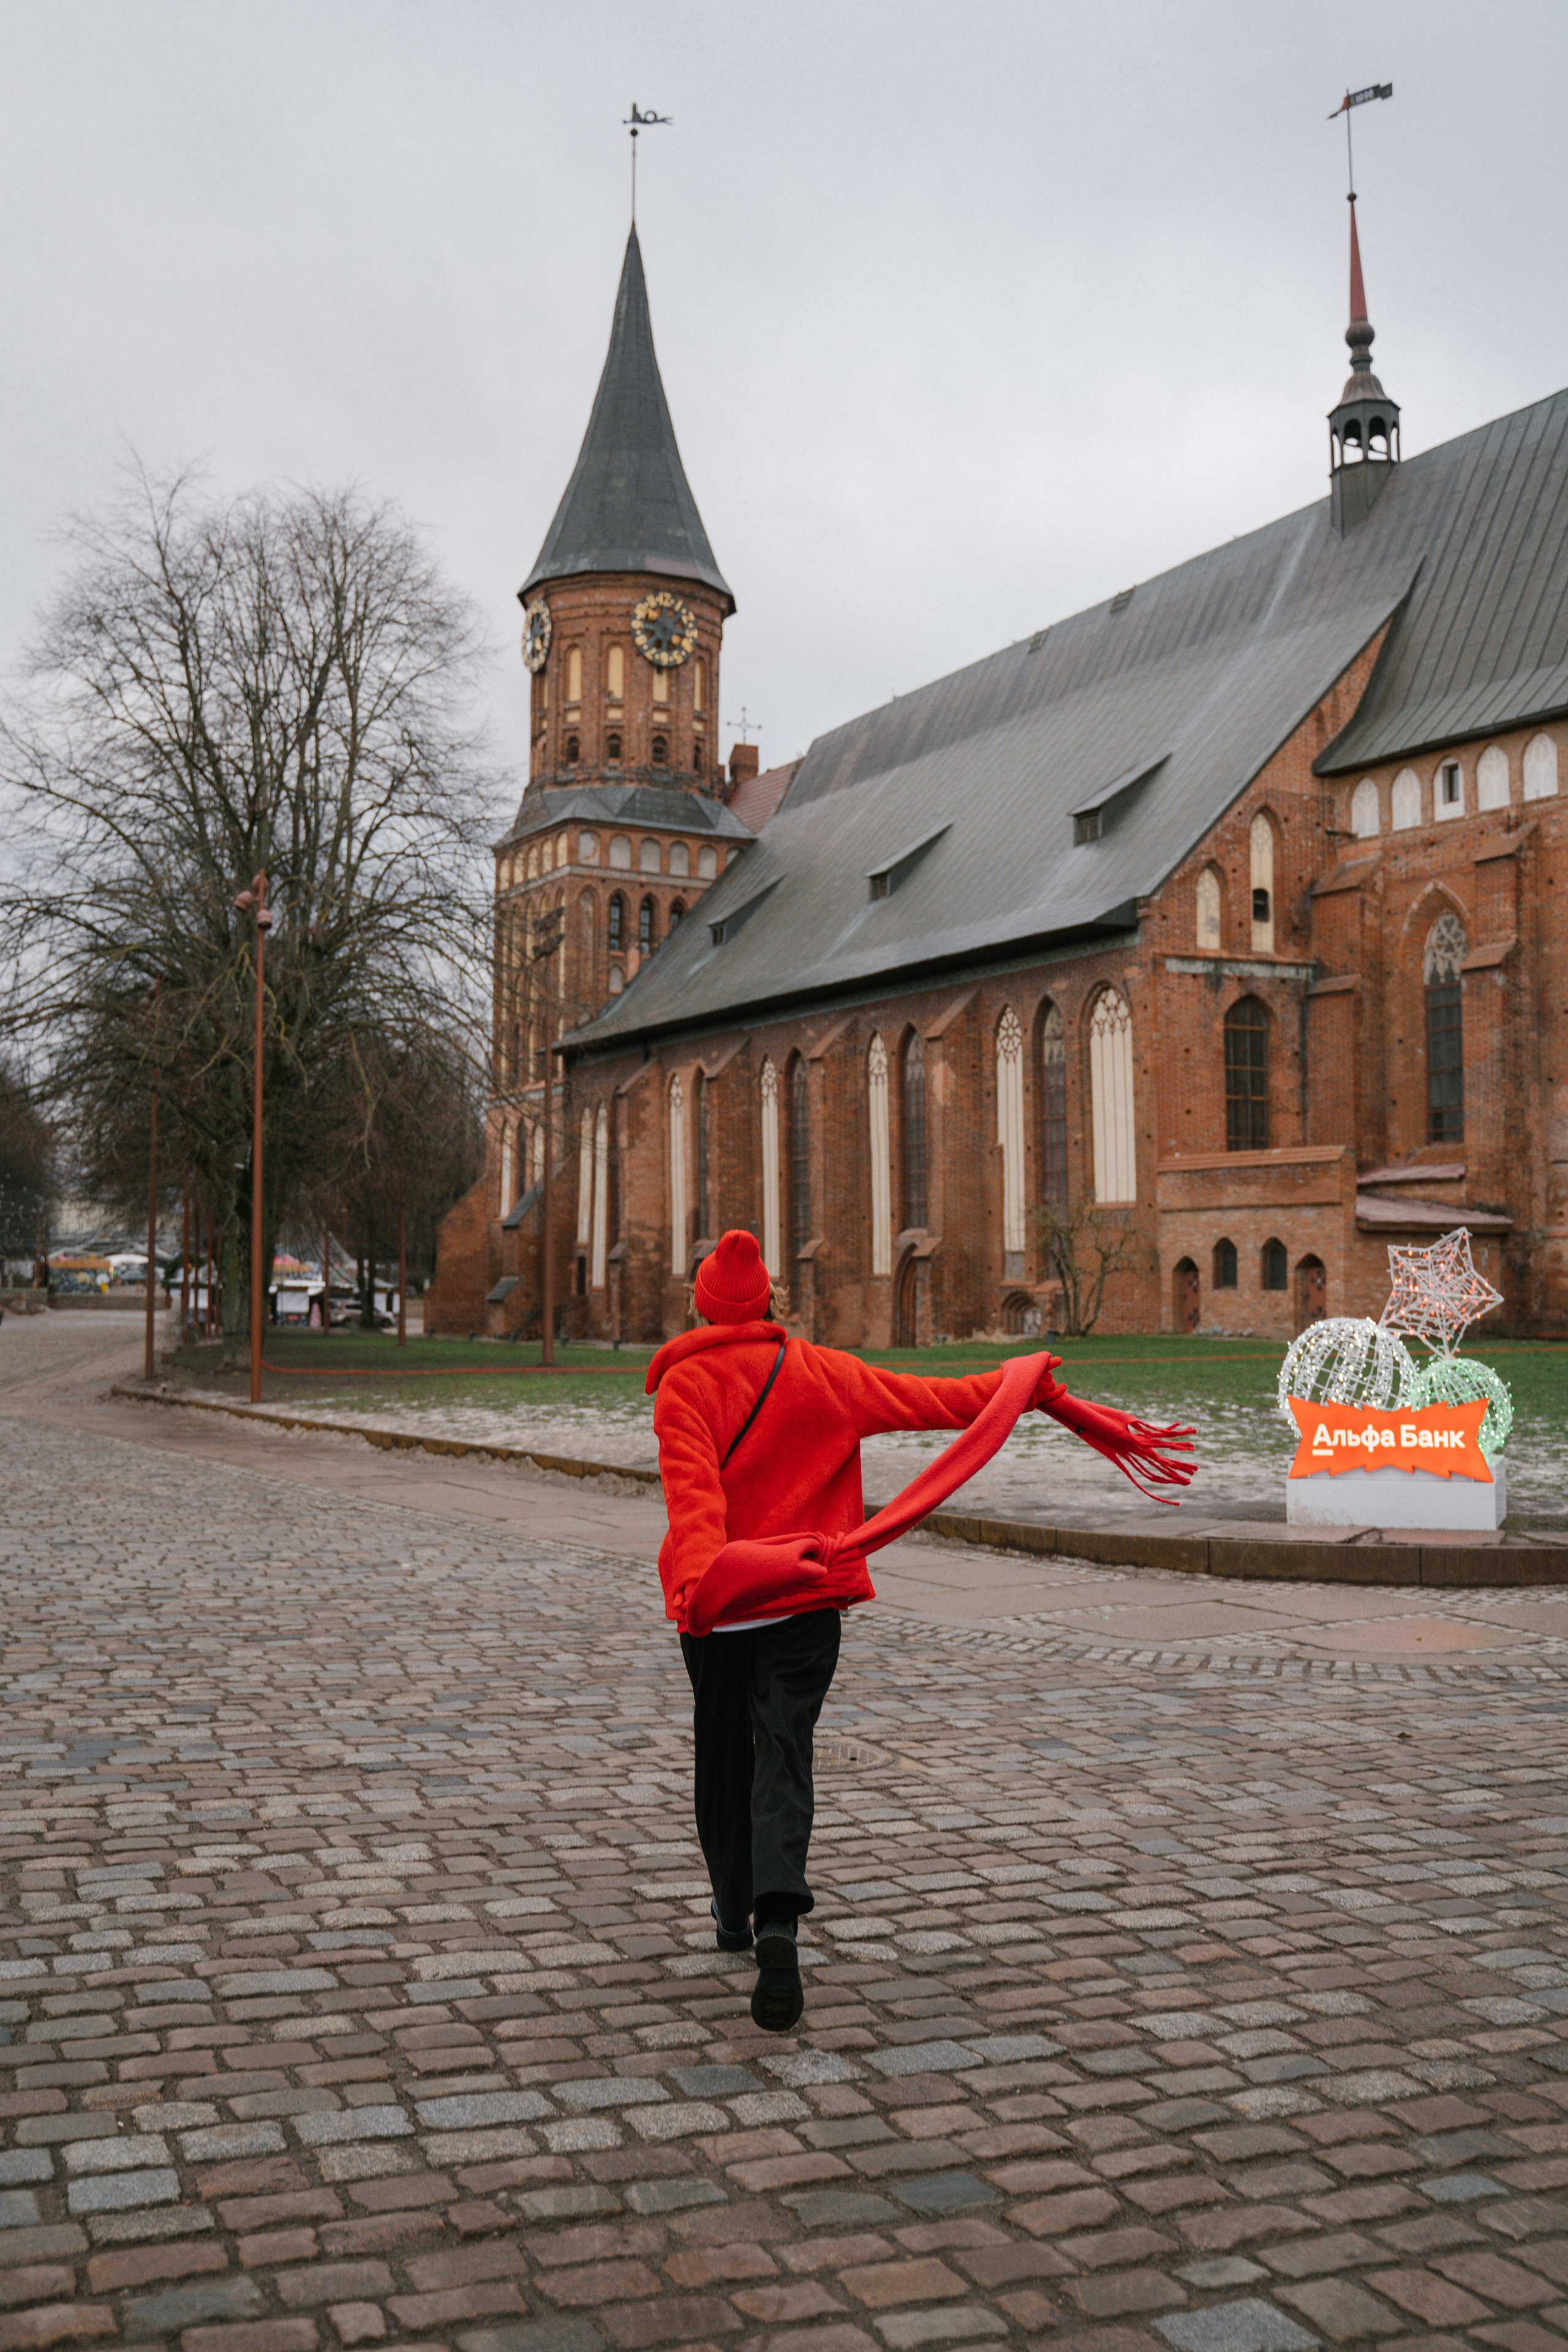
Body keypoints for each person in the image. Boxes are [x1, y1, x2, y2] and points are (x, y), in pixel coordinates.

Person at [647, 1227, 1193, 2032]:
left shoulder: (682, 1389)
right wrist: (1022, 1383)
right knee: (784, 1757)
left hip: (723, 1612)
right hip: (806, 1604)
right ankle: (776, 1923)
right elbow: (943, 1401)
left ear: (699, 1305)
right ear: (768, 1304)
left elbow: (695, 1503)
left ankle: (734, 1912)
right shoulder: (823, 1375)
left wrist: (702, 1584)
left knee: (724, 1761)